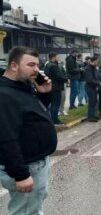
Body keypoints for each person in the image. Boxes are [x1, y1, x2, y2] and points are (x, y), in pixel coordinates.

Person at [0, 46, 57, 215]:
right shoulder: (5, 95)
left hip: (36, 163)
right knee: (25, 212)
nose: (36, 70)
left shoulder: (21, 87)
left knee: (33, 208)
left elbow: (35, 116)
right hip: (27, 166)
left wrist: (44, 94)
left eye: (37, 65)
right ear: (14, 66)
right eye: (31, 65)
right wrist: (21, 175)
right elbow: (6, 138)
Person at [44, 52, 68, 125]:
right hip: (56, 87)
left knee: (53, 104)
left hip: (51, 86)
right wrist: (66, 79)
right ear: (54, 57)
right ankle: (55, 120)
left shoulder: (47, 65)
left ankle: (53, 119)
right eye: (58, 57)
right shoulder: (53, 66)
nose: (59, 58)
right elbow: (59, 76)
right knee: (56, 104)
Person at [84, 57, 101, 122]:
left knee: (94, 101)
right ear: (94, 61)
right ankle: (90, 117)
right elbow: (89, 80)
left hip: (93, 87)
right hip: (89, 87)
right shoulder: (88, 68)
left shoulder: (93, 68)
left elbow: (96, 76)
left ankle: (93, 115)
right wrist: (98, 83)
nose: (97, 63)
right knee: (91, 102)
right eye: (97, 61)